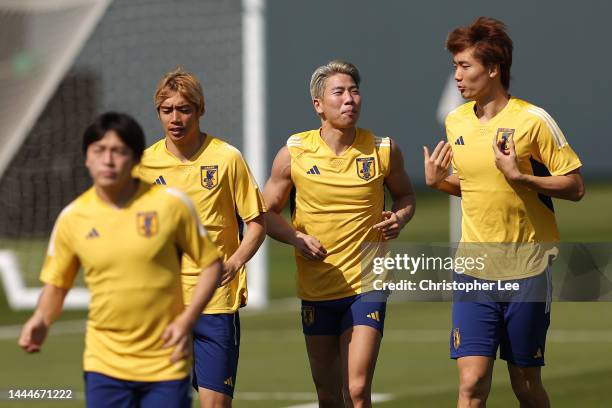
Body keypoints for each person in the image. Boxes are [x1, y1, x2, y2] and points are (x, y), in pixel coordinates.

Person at [424, 17, 584, 408]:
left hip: (526, 270)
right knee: (471, 384)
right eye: (455, 67)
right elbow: (476, 188)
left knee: (525, 384)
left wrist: (523, 178)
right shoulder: (456, 121)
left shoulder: (533, 121)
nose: (458, 77)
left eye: (465, 67)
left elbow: (575, 187)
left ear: (493, 69)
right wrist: (438, 182)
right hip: (473, 268)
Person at [18, 112, 223, 408]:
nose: (108, 161)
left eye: (119, 151)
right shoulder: (72, 218)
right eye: (99, 151)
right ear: (86, 158)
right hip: (104, 365)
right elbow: (57, 284)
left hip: (165, 362)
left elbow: (211, 265)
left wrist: (185, 322)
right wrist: (41, 318)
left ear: (137, 158)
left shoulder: (171, 205)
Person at [263, 60, 416, 408]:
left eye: (354, 91)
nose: (350, 99)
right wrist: (295, 238)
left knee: (357, 391)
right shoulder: (293, 154)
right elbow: (265, 213)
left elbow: (406, 196)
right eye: (339, 92)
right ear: (318, 105)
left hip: (367, 284)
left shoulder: (383, 150)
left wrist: (401, 218)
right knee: (328, 395)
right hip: (317, 287)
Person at [136, 68, 266, 407]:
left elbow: (257, 222)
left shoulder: (226, 158)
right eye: (168, 110)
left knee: (215, 404)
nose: (175, 118)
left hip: (215, 302)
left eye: (184, 109)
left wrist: (236, 261)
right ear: (158, 113)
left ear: (200, 109)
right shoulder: (144, 165)